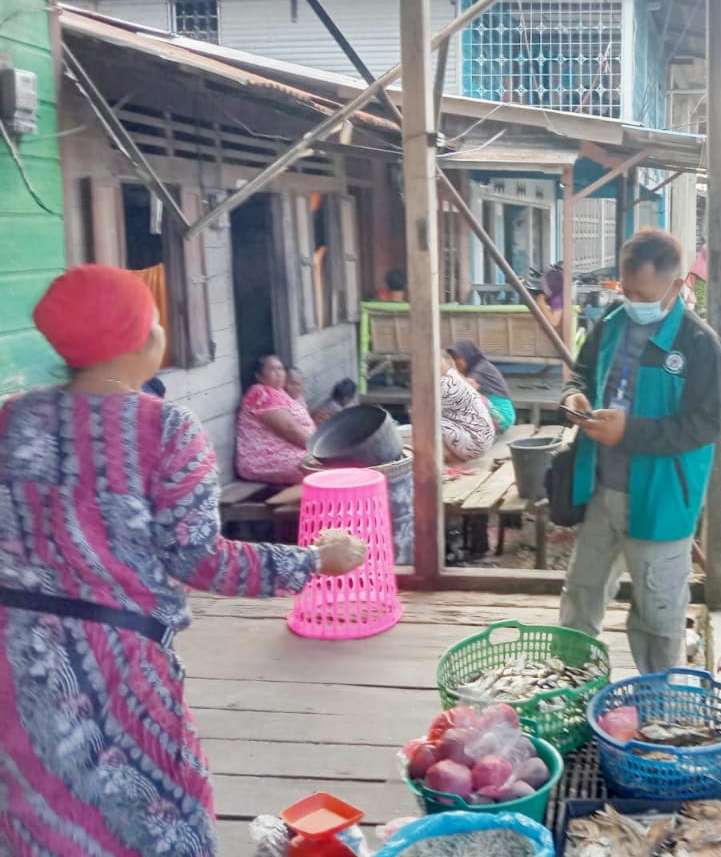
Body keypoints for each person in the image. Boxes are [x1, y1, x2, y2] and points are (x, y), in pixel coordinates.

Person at [0, 264, 367, 856]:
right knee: (152, 812)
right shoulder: (165, 429)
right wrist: (316, 560)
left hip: (12, 654)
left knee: (40, 809)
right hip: (116, 664)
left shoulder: (11, 418)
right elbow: (202, 561)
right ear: (141, 339)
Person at [560, 228, 721, 674]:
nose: (630, 300)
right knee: (581, 592)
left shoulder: (698, 344)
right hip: (601, 490)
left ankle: (659, 709)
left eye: (640, 292)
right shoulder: (613, 322)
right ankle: (573, 686)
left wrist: (629, 433)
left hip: (661, 499)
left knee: (657, 614)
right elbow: (581, 372)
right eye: (625, 288)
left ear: (676, 285)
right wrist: (573, 397)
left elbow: (704, 425)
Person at [235, 354, 316, 485]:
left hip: (287, 452)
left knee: (334, 462)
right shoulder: (260, 393)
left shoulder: (279, 393)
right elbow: (289, 429)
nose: (279, 373)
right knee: (324, 465)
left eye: (280, 369)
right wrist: (318, 448)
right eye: (273, 369)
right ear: (259, 376)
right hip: (263, 460)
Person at [449, 339, 517, 434]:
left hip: (502, 417)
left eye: (458, 358)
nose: (456, 362)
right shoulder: (473, 369)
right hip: (494, 415)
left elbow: (464, 388)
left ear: (467, 355)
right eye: (453, 359)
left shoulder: (481, 368)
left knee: (467, 397)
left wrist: (450, 371)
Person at [440, 353, 496, 462]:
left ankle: (454, 462)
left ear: (447, 362)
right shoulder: (453, 375)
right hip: (482, 440)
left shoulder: (447, 384)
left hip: (475, 443)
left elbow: (422, 410)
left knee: (426, 424)